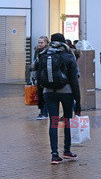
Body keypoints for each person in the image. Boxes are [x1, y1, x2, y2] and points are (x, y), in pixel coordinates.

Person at [35, 33, 81, 164]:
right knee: (67, 121)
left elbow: (39, 79)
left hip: (48, 92)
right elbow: (74, 81)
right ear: (63, 43)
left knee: (53, 122)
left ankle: (54, 154)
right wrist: (78, 102)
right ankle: (67, 151)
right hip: (67, 92)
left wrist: (40, 101)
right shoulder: (68, 56)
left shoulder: (43, 55)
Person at [31, 36, 50, 120]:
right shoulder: (37, 51)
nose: (39, 44)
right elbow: (34, 64)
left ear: (46, 43)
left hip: (46, 77)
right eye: (39, 42)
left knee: (44, 95)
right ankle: (42, 112)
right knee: (40, 95)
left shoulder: (48, 52)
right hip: (39, 76)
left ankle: (44, 113)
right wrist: (33, 77)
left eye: (41, 42)